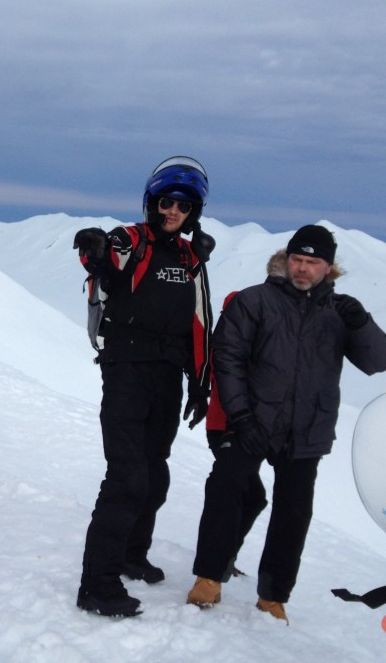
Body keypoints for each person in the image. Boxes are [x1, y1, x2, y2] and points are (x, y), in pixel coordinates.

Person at [187, 225, 386, 623]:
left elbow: (377, 361)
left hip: (306, 429)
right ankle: (209, 576)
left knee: (293, 514)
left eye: (313, 262)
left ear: (328, 267)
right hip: (251, 423)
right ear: (286, 258)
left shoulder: (339, 313)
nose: (302, 268)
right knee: (225, 490)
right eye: (297, 259)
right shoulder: (254, 301)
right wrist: (241, 417)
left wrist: (361, 322)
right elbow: (227, 359)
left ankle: (273, 596)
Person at [73, 156, 215, 617]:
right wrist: (93, 249)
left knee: (154, 475)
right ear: (152, 202)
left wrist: (200, 379)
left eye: (184, 206)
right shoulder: (130, 238)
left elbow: (198, 321)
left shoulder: (190, 258)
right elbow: (104, 257)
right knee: (127, 477)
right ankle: (97, 583)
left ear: (194, 213)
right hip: (126, 371)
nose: (174, 211)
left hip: (167, 376)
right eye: (167, 202)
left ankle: (133, 554)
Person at [203, 292, 268, 580]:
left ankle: (223, 558)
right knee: (244, 494)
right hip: (226, 426)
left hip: (226, 425)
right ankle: (218, 563)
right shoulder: (232, 342)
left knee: (251, 495)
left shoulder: (230, 337)